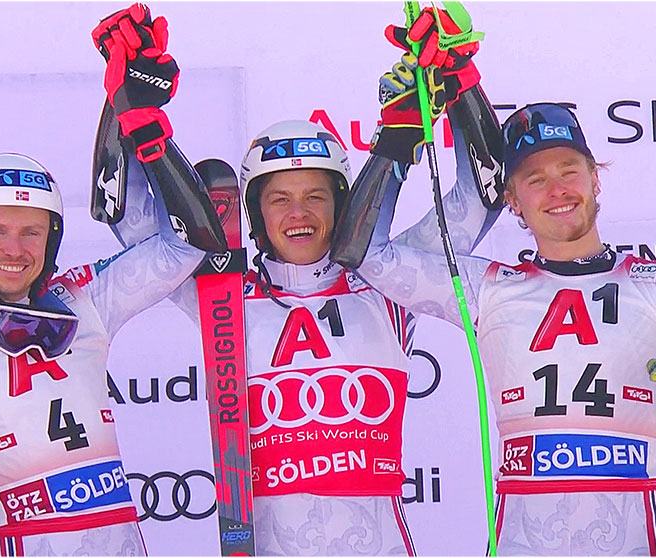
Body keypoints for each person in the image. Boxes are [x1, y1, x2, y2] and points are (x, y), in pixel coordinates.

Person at [330, 18, 656, 555]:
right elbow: (363, 254)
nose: (557, 190)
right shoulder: (487, 287)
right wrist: (401, 132)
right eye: (535, 179)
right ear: (513, 201)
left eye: (569, 170)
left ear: (596, 178)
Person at [90, 4, 505, 555]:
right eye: (279, 199)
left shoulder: (388, 283)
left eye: (316, 196)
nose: (298, 214)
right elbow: (127, 214)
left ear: (343, 203)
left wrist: (460, 81)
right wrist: (122, 102)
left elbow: (481, 196)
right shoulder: (222, 298)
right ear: (255, 214)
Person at [0, 145, 225, 555]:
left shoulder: (87, 301)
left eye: (31, 232)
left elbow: (186, 247)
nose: (15, 250)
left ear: (50, 241)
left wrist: (148, 136)